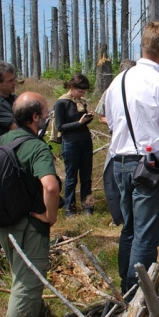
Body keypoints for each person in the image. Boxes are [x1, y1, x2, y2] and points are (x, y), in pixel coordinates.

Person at [104, 21, 159, 293]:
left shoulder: (118, 81)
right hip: (150, 166)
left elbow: (112, 124)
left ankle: (127, 291)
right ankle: (137, 297)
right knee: (146, 237)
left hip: (120, 162)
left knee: (129, 230)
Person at [0, 91, 60, 317]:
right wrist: (49, 217)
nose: (47, 117)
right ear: (35, 117)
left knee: (21, 275)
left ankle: (41, 315)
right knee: (27, 283)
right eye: (45, 113)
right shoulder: (36, 147)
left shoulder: (3, 141)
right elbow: (51, 187)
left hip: (4, 222)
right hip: (29, 226)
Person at [54, 74, 94, 217]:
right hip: (70, 143)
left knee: (86, 177)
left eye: (84, 92)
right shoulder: (61, 103)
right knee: (71, 178)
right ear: (72, 87)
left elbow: (81, 123)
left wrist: (87, 118)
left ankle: (87, 207)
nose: (82, 94)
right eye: (80, 91)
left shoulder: (81, 102)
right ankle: (69, 209)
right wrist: (79, 123)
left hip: (85, 141)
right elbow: (60, 126)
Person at [95, 59, 137, 126]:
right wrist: (118, 123)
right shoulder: (110, 91)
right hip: (118, 133)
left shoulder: (142, 91)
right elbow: (101, 117)